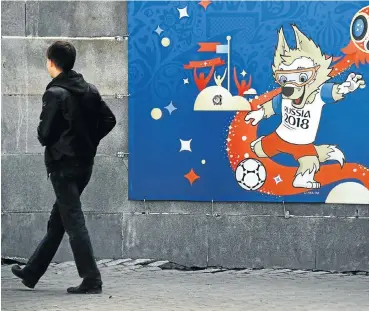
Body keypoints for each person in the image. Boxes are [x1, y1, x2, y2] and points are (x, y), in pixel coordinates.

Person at [11, 41, 116, 294]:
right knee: (59, 220)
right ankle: (32, 271)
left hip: (62, 166)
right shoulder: (89, 90)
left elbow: (45, 134)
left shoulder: (55, 93)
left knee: (73, 222)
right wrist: (89, 141)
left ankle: (92, 279)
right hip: (84, 166)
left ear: (51, 62)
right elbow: (109, 120)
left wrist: (57, 140)